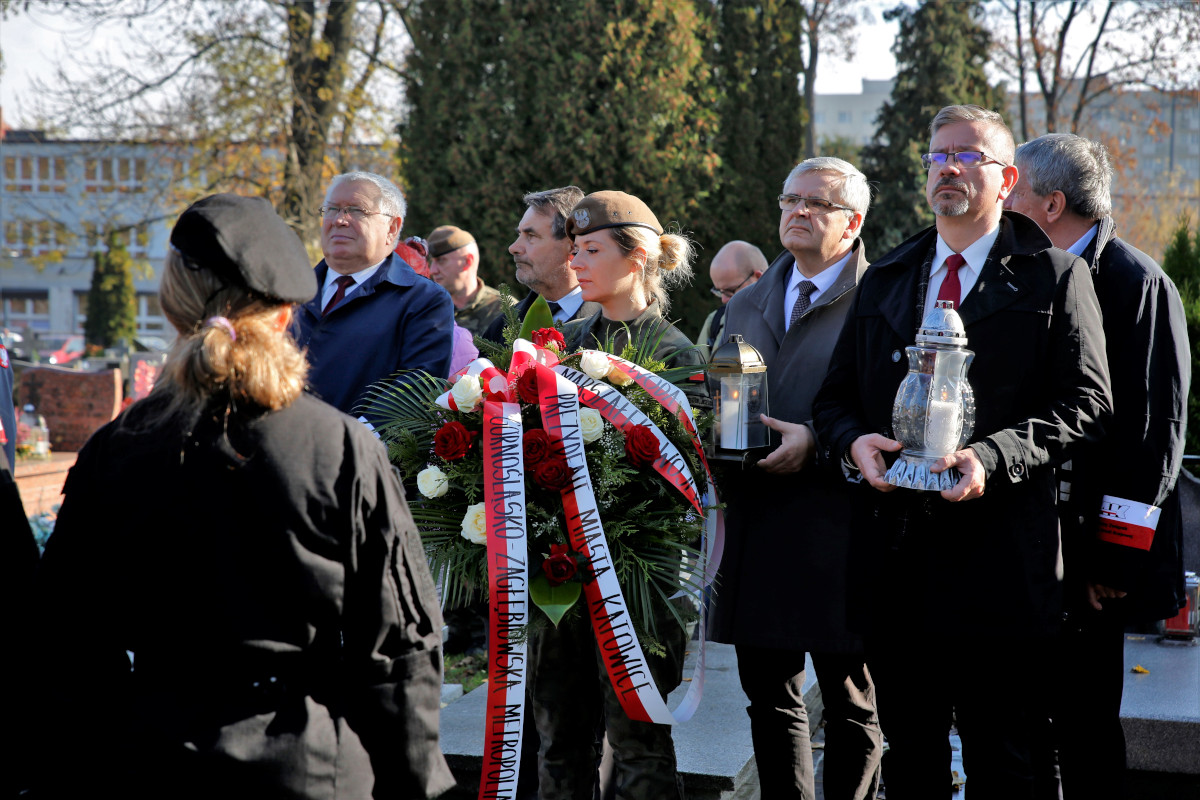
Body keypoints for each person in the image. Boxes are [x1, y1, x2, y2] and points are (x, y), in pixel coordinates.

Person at [33, 194, 455, 799]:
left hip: (154, 761)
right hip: (309, 766)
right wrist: (418, 787)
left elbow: (65, 637)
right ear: (286, 317)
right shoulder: (339, 448)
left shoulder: (116, 448)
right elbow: (398, 651)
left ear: (173, 306)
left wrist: (108, 754)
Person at [812, 105, 1112, 800]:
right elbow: (833, 402)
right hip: (895, 560)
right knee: (911, 753)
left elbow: (1088, 403)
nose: (946, 167)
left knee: (1003, 759)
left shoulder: (1055, 277)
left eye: (966, 156)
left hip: (999, 561)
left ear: (1007, 179)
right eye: (936, 155)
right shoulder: (886, 278)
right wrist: (853, 442)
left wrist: (993, 457)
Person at [1007, 133, 1190, 799]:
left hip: (1090, 556)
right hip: (1026, 542)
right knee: (1020, 726)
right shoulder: (1020, 272)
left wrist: (1113, 562)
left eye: (1014, 187)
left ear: (1051, 203)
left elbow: (1154, 434)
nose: (1003, 198)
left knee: (1084, 728)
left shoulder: (1134, 282)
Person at [710, 157, 882, 800]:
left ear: (853, 221)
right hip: (761, 520)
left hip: (843, 523)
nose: (798, 212)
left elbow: (900, 406)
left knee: (849, 702)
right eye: (789, 201)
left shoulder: (883, 295)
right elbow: (726, 399)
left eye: (817, 203)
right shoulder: (748, 301)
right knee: (770, 698)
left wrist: (818, 440)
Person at [531, 190, 701, 800]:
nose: (576, 261)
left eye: (592, 249)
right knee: (558, 737)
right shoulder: (560, 342)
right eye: (573, 248)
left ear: (637, 258)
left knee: (637, 744)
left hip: (637, 582)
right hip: (560, 574)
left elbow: (682, 483)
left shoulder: (675, 354)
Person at [295, 171, 454, 414]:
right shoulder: (289, 292)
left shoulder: (423, 301)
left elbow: (413, 392)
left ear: (392, 227)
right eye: (332, 209)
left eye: (356, 210)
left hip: (357, 449)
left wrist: (346, 443)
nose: (339, 220)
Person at [480, 185, 602, 343]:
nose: (513, 248)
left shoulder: (611, 323)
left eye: (531, 236)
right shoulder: (502, 327)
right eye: (519, 234)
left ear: (573, 247)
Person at [427, 225, 508, 336]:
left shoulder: (506, 311)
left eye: (441, 261)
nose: (432, 270)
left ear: (467, 261)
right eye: (432, 261)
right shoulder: (426, 309)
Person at [695, 240, 765, 359]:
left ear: (758, 278)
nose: (723, 300)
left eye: (730, 291)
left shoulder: (790, 317)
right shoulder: (715, 321)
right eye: (719, 291)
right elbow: (698, 374)